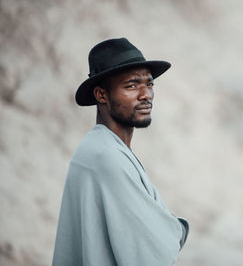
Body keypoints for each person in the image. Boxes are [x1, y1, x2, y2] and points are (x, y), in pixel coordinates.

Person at [52, 38, 189, 266]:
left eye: (150, 84)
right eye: (132, 86)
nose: (146, 94)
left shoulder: (100, 146)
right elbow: (155, 249)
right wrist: (177, 227)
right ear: (101, 95)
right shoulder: (106, 157)